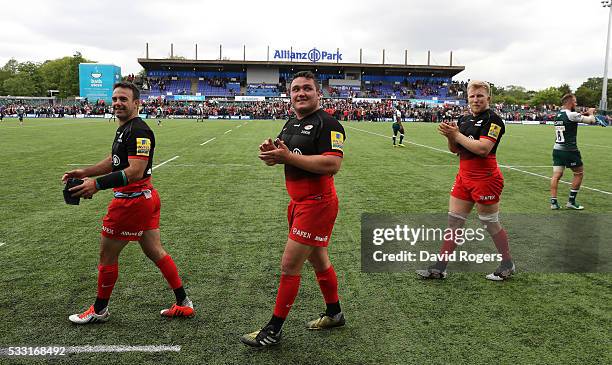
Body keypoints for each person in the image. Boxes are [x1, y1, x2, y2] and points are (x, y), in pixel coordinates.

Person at [63, 82, 194, 324]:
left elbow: (134, 171)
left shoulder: (139, 130)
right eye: (114, 99)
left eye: (123, 99)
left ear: (136, 103)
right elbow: (115, 161)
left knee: (107, 256)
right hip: (144, 198)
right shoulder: (125, 128)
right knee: (155, 251)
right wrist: (85, 171)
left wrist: (96, 184)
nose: (117, 103)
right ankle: (183, 303)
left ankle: (100, 309)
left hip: (132, 202)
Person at [241, 71, 347, 348]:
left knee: (290, 266)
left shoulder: (329, 123)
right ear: (290, 95)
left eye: (307, 89)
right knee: (319, 261)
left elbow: (333, 164)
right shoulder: (291, 122)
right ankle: (334, 313)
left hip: (317, 204)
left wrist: (286, 156)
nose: (301, 93)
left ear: (318, 93)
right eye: (296, 89)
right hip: (299, 203)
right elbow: (280, 155)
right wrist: (271, 152)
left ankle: (273, 330)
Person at [416, 80, 514, 281]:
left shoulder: (494, 120)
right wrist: (450, 136)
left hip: (485, 178)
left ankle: (507, 263)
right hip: (464, 176)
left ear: (488, 98)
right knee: (454, 222)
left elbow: (483, 149)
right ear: (467, 98)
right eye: (472, 96)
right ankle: (439, 267)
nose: (476, 99)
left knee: (489, 223)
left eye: (480, 95)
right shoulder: (464, 119)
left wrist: (456, 134)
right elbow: (455, 150)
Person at [550, 93, 598, 210]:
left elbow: (571, 117)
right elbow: (592, 121)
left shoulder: (558, 114)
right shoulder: (571, 114)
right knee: (579, 173)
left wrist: (581, 114)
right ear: (570, 102)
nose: (576, 104)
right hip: (569, 150)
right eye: (575, 102)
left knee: (556, 175)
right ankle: (571, 201)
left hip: (557, 149)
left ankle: (553, 203)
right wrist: (591, 113)